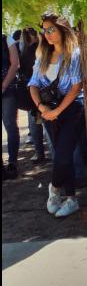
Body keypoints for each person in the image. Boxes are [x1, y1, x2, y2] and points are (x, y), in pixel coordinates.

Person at [29, 14, 85, 218]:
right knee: (62, 156)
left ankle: (53, 189)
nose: (48, 34)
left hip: (72, 111)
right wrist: (41, 107)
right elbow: (33, 84)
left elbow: (77, 85)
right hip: (48, 112)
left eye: (51, 29)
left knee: (63, 154)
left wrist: (58, 111)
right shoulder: (42, 55)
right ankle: (71, 199)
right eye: (45, 30)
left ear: (62, 30)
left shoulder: (75, 55)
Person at [16, 28, 47, 163]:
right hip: (38, 92)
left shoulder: (26, 50)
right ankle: (43, 153)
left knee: (38, 125)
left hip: (37, 92)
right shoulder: (28, 49)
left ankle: (41, 154)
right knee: (39, 125)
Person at [2, 36, 20, 179]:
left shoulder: (6, 38)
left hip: (8, 90)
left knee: (10, 125)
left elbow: (15, 65)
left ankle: (13, 163)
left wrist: (3, 86)